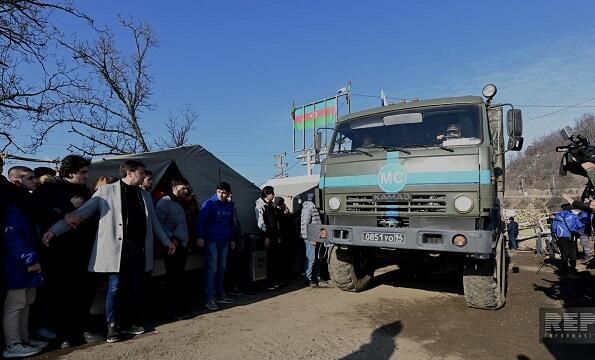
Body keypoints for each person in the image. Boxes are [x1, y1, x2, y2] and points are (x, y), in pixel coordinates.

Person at [41, 160, 176, 343]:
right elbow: (81, 213)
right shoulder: (106, 192)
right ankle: (113, 326)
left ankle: (129, 322)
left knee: (134, 287)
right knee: (116, 287)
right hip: (118, 249)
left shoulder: (144, 195)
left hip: (138, 248)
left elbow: (153, 222)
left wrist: (166, 241)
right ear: (129, 173)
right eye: (141, 173)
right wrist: (54, 230)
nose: (144, 176)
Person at [34, 155, 101, 347]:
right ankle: (64, 334)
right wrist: (66, 209)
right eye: (83, 172)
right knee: (63, 295)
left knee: (84, 292)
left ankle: (81, 329)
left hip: (85, 250)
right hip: (60, 254)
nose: (87, 176)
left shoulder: (84, 191)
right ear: (70, 172)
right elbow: (38, 210)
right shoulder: (50, 189)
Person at [2, 166, 47, 358]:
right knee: (16, 305)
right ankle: (13, 345)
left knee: (26, 303)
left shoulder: (22, 203)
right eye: (30, 178)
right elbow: (12, 237)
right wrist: (29, 259)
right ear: (16, 181)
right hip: (18, 264)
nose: (35, 181)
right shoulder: (12, 206)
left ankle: (25, 338)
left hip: (26, 262)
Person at [196, 182, 236, 311]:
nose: (221, 194)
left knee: (222, 268)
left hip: (224, 240)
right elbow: (201, 221)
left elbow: (231, 224)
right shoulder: (209, 203)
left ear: (228, 193)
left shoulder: (229, 206)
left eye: (224, 192)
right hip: (212, 240)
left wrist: (232, 239)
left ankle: (220, 294)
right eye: (219, 191)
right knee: (212, 269)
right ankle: (210, 298)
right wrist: (200, 237)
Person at [156, 178, 191, 318]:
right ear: (175, 187)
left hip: (182, 245)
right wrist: (171, 238)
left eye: (187, 188)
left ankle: (181, 308)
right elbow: (158, 223)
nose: (186, 191)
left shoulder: (182, 203)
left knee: (179, 277)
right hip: (172, 246)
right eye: (183, 188)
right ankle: (172, 312)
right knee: (173, 278)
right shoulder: (165, 202)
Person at [255, 186, 282, 290]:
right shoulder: (260, 205)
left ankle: (274, 281)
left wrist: (278, 235)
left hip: (274, 235)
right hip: (267, 236)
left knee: (273, 259)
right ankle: (268, 283)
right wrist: (266, 236)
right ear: (267, 194)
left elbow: (275, 221)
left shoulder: (270, 205)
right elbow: (260, 223)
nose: (273, 195)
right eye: (272, 193)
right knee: (268, 260)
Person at [551, 203, 583, 274]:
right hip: (572, 236)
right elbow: (579, 225)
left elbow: (554, 227)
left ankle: (564, 268)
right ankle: (573, 268)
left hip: (561, 236)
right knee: (573, 251)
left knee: (564, 252)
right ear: (570, 208)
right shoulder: (574, 216)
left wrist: (554, 234)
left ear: (562, 208)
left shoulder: (557, 216)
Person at [300, 193, 322, 287]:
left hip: (315, 237)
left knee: (315, 259)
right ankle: (307, 279)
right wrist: (311, 237)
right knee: (311, 259)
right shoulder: (308, 208)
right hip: (310, 238)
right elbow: (305, 224)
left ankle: (314, 278)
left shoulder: (312, 207)